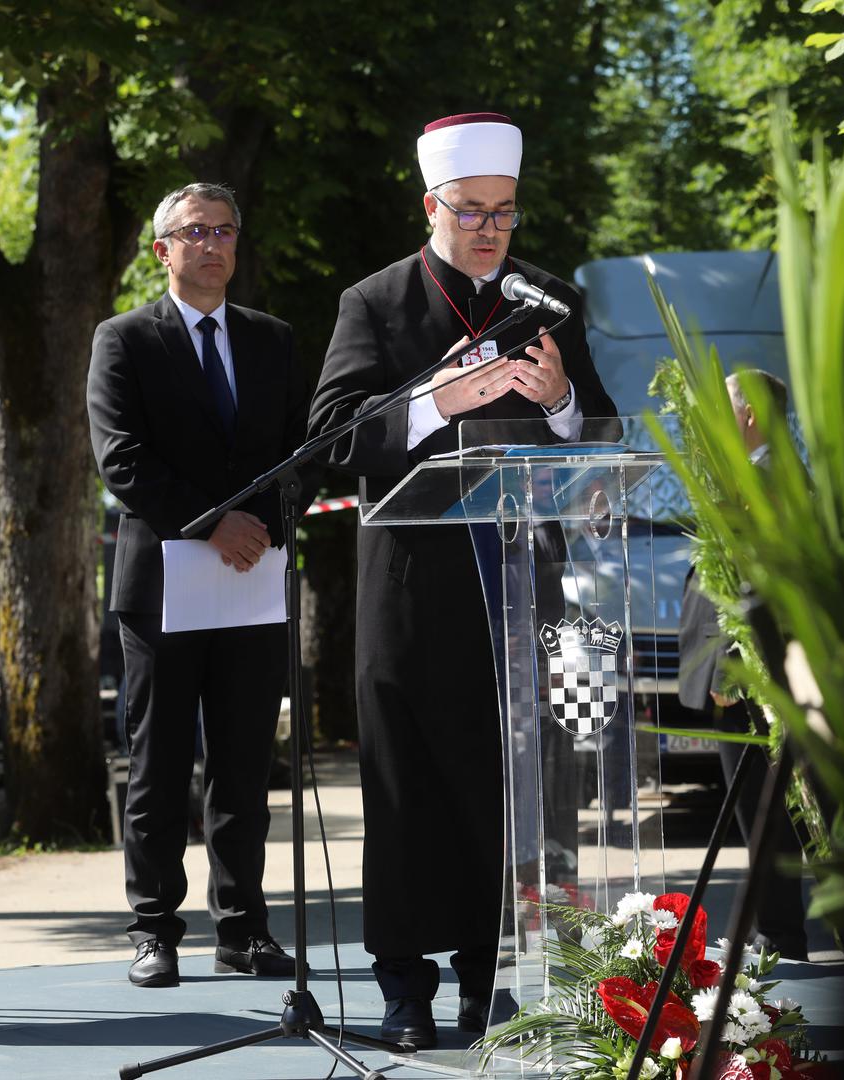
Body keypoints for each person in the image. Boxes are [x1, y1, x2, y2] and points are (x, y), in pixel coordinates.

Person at [307, 113, 617, 1048]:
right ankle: (406, 991)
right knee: (408, 797)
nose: (489, 229)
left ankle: (496, 986)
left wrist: (559, 397)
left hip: (524, 588)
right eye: (471, 211)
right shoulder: (377, 302)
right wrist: (440, 399)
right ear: (431, 205)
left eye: (505, 213)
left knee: (513, 798)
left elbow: (598, 433)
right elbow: (331, 435)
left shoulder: (549, 300)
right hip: (410, 591)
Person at [87, 182, 313, 988]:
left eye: (224, 229)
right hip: (162, 588)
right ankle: (153, 930)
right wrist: (213, 521)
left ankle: (242, 929)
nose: (212, 243)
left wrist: (264, 525)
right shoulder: (124, 340)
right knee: (158, 765)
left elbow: (302, 448)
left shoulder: (272, 340)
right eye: (194, 232)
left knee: (246, 766)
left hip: (251, 581)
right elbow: (122, 458)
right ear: (163, 250)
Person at [678, 369, 810, 961]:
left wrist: (733, 666)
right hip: (735, 672)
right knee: (757, 807)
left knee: (763, 809)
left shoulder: (771, 480)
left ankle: (779, 935)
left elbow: (762, 585)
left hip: (745, 678)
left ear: (751, 415)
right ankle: (772, 931)